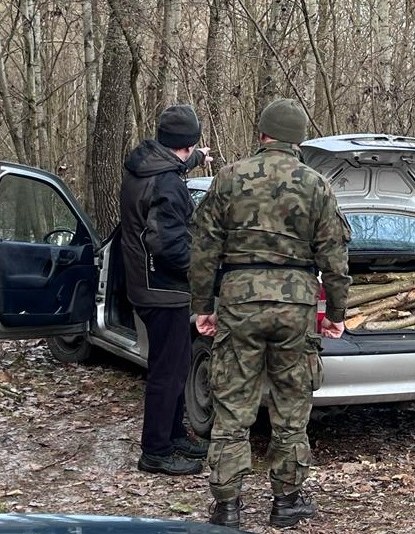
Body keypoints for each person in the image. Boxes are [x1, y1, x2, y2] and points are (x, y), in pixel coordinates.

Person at [189, 98, 351, 529]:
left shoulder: (227, 179)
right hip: (296, 303)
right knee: (292, 402)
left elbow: (203, 251)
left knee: (232, 403)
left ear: (262, 134)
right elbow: (334, 258)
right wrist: (335, 312)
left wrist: (203, 307)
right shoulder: (317, 185)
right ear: (299, 140)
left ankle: (227, 506)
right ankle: (287, 501)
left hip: (239, 300)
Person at [120, 104, 213, 475]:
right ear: (187, 144)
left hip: (145, 282)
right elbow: (169, 245)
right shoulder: (168, 183)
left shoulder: (144, 166)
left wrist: (195, 161)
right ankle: (155, 451)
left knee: (174, 365)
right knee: (167, 371)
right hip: (163, 287)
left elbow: (171, 168)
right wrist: (205, 272)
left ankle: (173, 435)